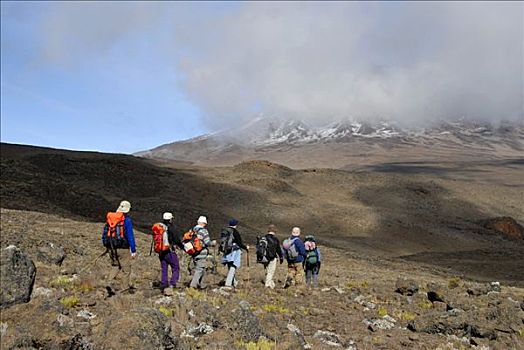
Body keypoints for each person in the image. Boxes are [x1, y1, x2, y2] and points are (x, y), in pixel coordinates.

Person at [102, 200, 137, 292]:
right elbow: (130, 236)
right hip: (123, 248)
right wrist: (133, 250)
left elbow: (105, 233)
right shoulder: (127, 220)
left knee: (115, 265)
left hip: (111, 246)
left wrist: (107, 246)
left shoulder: (110, 219)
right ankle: (125, 289)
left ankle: (108, 283)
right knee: (126, 269)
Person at [220, 218, 249, 289]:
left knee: (230, 266)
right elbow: (239, 243)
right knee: (233, 266)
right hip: (234, 251)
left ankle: (234, 283)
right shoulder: (235, 232)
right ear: (235, 225)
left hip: (226, 251)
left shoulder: (225, 231)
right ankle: (228, 284)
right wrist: (246, 247)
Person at [158, 212, 181, 295]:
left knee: (164, 269)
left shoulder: (160, 227)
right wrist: (182, 247)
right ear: (170, 219)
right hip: (170, 251)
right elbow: (177, 240)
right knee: (176, 268)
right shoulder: (172, 228)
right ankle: (172, 284)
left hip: (161, 252)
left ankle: (164, 285)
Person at [189, 216, 214, 289]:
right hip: (201, 252)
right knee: (200, 269)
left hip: (193, 252)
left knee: (201, 269)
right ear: (204, 223)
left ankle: (200, 284)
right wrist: (213, 243)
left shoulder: (193, 230)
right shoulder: (204, 231)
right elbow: (207, 242)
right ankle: (193, 286)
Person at [263, 224, 284, 289]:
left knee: (268, 271)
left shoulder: (264, 238)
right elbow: (278, 249)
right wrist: (281, 257)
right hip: (272, 257)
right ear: (274, 231)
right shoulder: (275, 239)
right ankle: (267, 285)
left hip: (264, 257)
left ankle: (272, 285)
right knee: (271, 272)